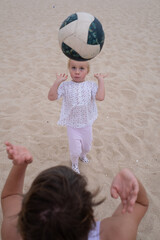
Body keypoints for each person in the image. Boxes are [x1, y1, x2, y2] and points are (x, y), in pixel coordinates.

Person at [1, 142, 149, 240]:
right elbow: (139, 204)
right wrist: (131, 180)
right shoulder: (116, 234)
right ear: (89, 217)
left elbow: (10, 196)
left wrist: (19, 165)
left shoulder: (14, 233)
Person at [48, 59, 107, 173]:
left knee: (86, 147)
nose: (77, 72)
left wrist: (101, 80)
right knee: (75, 151)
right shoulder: (65, 85)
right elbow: (51, 97)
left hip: (86, 124)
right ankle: (74, 164)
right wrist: (57, 82)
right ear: (69, 69)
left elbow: (100, 97)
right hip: (72, 125)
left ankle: (83, 156)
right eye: (73, 68)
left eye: (81, 68)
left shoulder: (90, 85)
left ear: (87, 71)